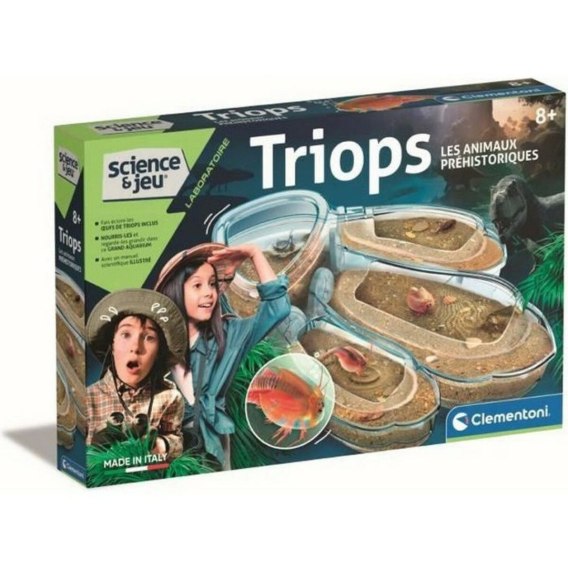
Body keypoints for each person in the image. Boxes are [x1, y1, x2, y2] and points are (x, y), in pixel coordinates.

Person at [155, 243, 291, 470]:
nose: (209, 292)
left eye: (212, 284)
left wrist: (254, 253)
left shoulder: (228, 337)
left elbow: (278, 308)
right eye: (197, 285)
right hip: (165, 456)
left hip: (215, 452)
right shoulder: (151, 342)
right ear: (175, 290)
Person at [85, 289, 188, 460]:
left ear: (158, 353)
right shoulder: (89, 398)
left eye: (149, 337)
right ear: (112, 345)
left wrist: (161, 444)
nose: (136, 347)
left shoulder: (170, 397)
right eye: (126, 334)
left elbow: (176, 440)